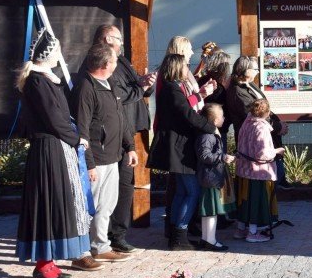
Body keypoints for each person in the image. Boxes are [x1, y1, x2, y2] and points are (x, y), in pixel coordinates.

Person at [16, 29, 96, 278]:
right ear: (48, 53)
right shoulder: (37, 82)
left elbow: (59, 117)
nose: (60, 54)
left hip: (56, 148)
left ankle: (47, 261)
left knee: (55, 205)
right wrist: (77, 138)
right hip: (49, 150)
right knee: (48, 205)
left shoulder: (46, 80)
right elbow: (53, 119)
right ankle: (43, 264)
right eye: (57, 50)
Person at [90, 24, 155, 255]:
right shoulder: (101, 64)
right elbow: (119, 96)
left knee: (125, 185)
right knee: (105, 189)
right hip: (109, 136)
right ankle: (101, 236)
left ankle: (118, 234)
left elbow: (135, 87)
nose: (122, 43)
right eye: (119, 38)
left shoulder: (123, 60)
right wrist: (140, 88)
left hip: (128, 131)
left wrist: (145, 84)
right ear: (108, 39)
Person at [72, 43, 136, 264]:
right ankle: (89, 247)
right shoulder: (85, 88)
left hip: (114, 155)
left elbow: (121, 118)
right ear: (106, 63)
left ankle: (102, 245)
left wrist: (131, 147)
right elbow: (82, 129)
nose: (117, 64)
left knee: (108, 203)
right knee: (95, 204)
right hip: (97, 159)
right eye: (115, 60)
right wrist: (88, 164)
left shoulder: (110, 83)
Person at [148, 53, 217, 250]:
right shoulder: (172, 89)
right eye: (185, 65)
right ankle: (179, 234)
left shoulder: (173, 88)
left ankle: (177, 236)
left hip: (178, 147)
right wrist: (211, 128)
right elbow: (187, 114)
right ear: (177, 67)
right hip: (178, 148)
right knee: (191, 192)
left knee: (182, 191)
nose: (188, 68)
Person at [226, 56, 291, 196]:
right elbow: (254, 115)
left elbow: (264, 108)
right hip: (253, 141)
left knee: (273, 176)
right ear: (245, 70)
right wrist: (278, 127)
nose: (257, 72)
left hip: (268, 134)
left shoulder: (250, 84)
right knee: (258, 180)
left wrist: (278, 124)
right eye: (255, 69)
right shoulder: (237, 91)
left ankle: (271, 202)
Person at [235, 99, 285, 243]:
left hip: (243, 169)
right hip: (258, 172)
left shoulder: (246, 123)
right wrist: (277, 151)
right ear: (267, 112)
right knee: (256, 202)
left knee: (244, 201)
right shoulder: (262, 128)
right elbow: (263, 154)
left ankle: (240, 229)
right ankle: (252, 232)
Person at [196, 103, 235, 251]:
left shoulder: (209, 134)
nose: (224, 118)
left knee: (209, 211)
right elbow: (204, 155)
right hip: (211, 178)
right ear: (214, 121)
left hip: (210, 177)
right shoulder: (208, 135)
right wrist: (222, 157)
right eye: (222, 116)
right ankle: (210, 240)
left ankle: (206, 239)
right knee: (211, 211)